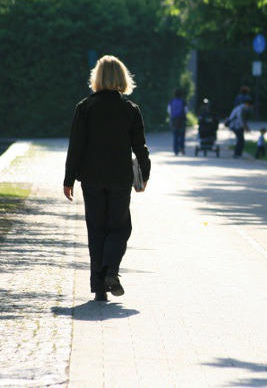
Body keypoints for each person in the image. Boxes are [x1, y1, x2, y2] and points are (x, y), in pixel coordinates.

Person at [64, 55, 151, 302]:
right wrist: (144, 174)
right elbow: (140, 147)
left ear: (97, 78)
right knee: (120, 227)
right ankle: (111, 270)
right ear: (122, 79)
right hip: (119, 177)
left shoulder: (85, 107)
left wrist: (68, 179)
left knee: (96, 229)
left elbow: (76, 146)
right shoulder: (130, 110)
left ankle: (100, 288)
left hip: (91, 178)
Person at [167, 88, 188, 155]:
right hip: (182, 120)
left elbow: (169, 111)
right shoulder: (183, 102)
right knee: (182, 135)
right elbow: (186, 111)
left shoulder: (171, 101)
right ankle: (182, 149)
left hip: (174, 120)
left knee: (175, 135)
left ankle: (176, 151)